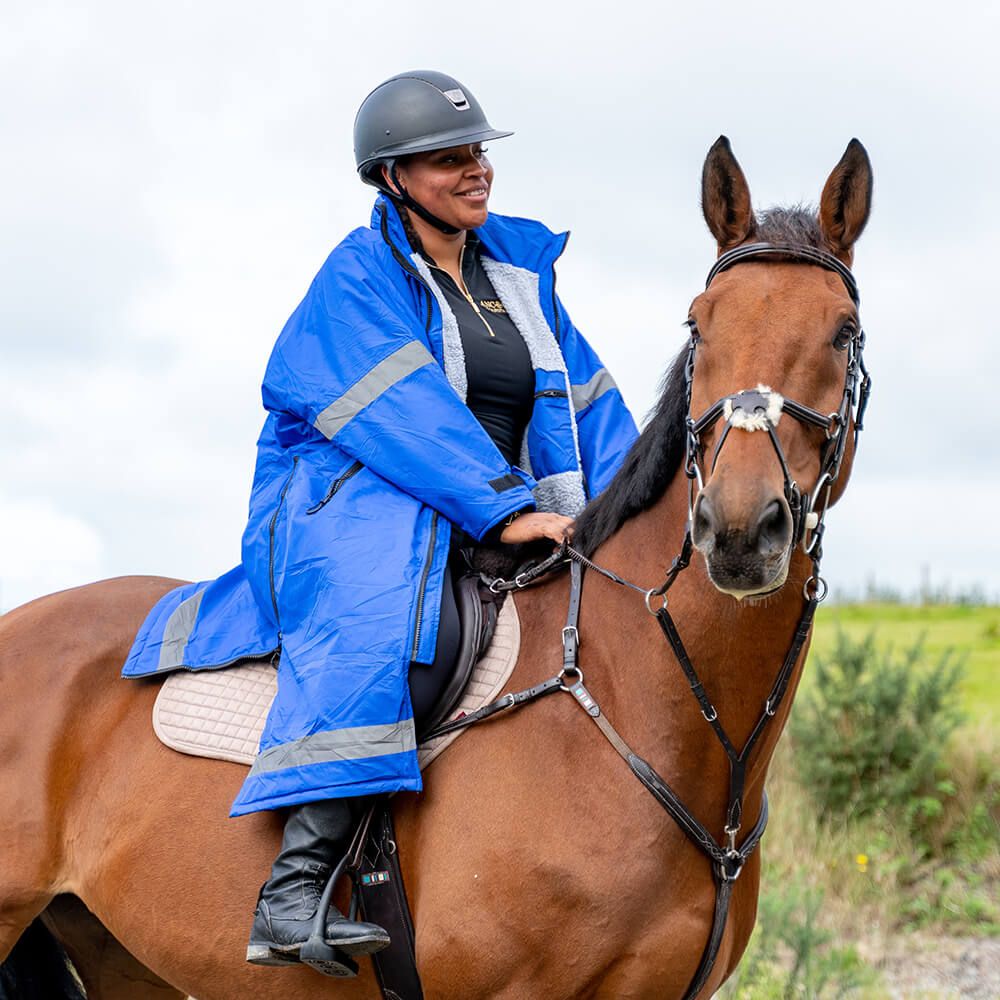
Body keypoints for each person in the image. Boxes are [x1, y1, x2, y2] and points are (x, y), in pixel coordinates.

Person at [122, 69, 639, 976]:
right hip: (362, 502)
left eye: (477, 151)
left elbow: (593, 404)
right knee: (405, 627)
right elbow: (406, 416)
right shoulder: (357, 276)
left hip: (496, 507)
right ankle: (296, 887)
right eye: (447, 159)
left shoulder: (519, 274)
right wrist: (507, 508)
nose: (475, 169)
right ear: (393, 178)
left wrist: (638, 502)